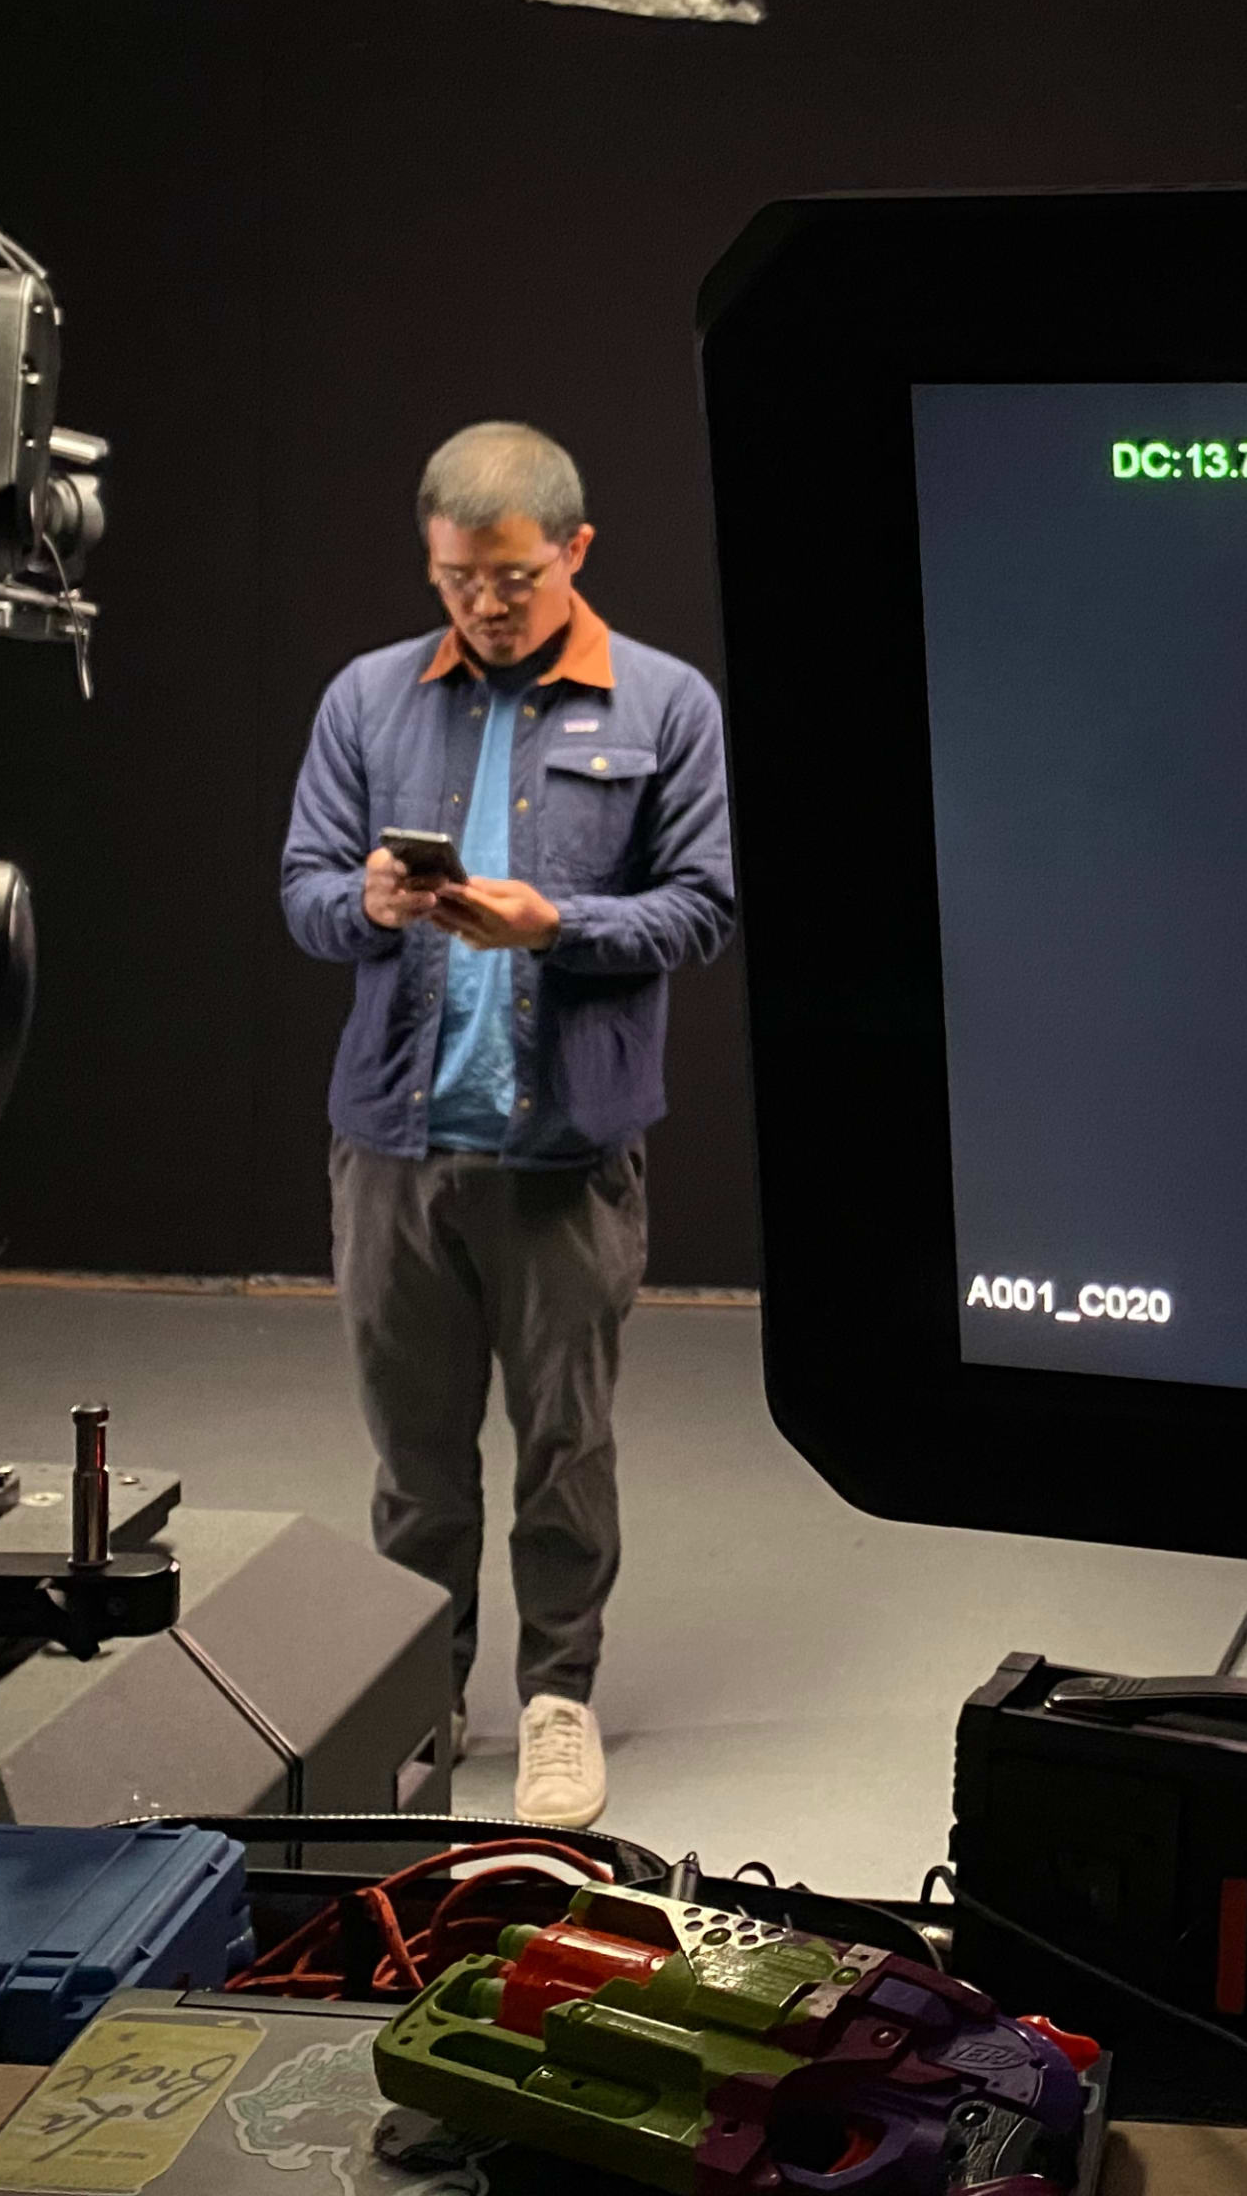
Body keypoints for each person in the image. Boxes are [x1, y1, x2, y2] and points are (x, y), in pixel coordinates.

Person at [281, 421, 737, 1825]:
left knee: (563, 1449)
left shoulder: (665, 705)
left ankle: (557, 1699)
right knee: (414, 1462)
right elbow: (299, 892)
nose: (484, 604)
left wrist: (562, 925)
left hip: (565, 1158)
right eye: (456, 580)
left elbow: (705, 907)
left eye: (513, 579)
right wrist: (364, 903)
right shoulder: (366, 698)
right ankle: (421, 1702)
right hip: (393, 1152)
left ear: (575, 552)